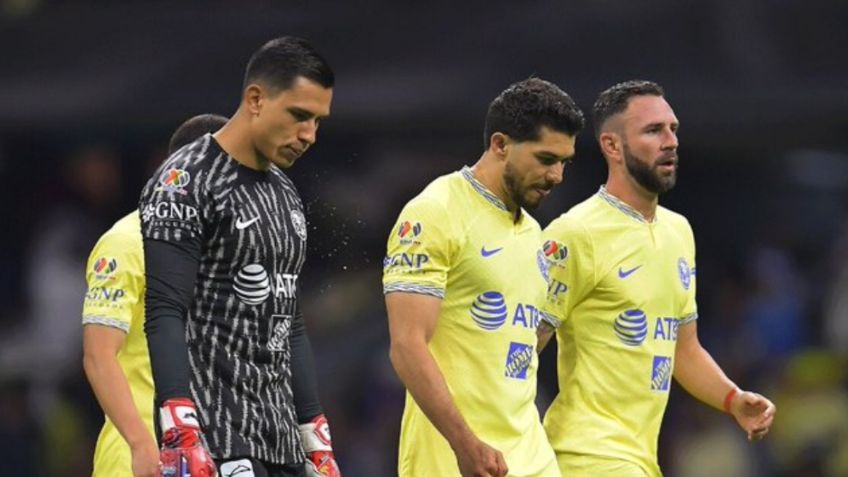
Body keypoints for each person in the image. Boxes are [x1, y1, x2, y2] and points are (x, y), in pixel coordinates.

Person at [536, 80, 776, 477]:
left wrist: (732, 398)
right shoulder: (574, 234)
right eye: (653, 130)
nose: (671, 141)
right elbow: (523, 346)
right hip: (586, 456)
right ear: (612, 146)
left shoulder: (677, 231)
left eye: (673, 129)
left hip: (642, 460)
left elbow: (684, 349)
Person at [139, 37, 340, 477]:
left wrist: (315, 435)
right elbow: (165, 309)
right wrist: (178, 429)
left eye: (318, 121)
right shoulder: (185, 179)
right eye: (299, 116)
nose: (310, 135)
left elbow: (291, 322)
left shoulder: (285, 190)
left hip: (282, 438)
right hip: (216, 438)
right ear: (255, 99)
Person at [384, 77, 585, 477]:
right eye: (546, 159)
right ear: (500, 144)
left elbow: (522, 344)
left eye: (565, 162)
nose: (557, 175)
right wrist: (466, 444)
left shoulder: (533, 233)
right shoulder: (436, 212)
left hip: (531, 455)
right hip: (454, 457)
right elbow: (407, 347)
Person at [83, 113, 228, 477]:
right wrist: (141, 444)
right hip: (142, 456)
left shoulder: (225, 250)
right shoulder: (127, 242)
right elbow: (99, 355)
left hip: (215, 455)